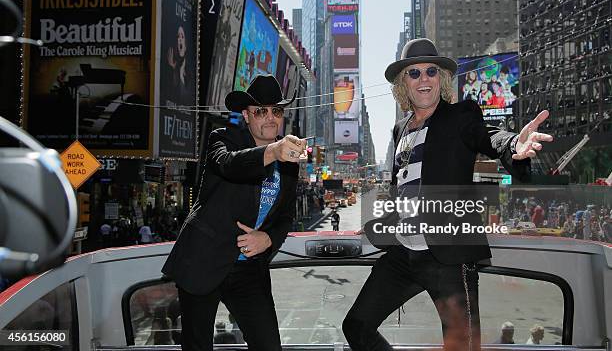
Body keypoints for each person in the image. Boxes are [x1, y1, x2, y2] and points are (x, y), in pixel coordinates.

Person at [343, 38, 553, 351]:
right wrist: (383, 222)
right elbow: (404, 190)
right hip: (404, 255)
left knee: (462, 347)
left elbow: (490, 136)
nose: (423, 78)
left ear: (441, 79)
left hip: (450, 259)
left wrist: (513, 145)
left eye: (431, 71)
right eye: (414, 73)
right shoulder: (400, 130)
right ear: (404, 83)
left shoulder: (460, 117)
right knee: (356, 325)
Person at [161, 75, 305, 351]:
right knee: (197, 346)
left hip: (249, 271)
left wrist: (269, 239)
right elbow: (230, 165)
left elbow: (286, 216)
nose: (270, 118)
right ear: (246, 115)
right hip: (203, 260)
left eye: (276, 110)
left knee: (268, 345)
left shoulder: (290, 162)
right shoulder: (223, 138)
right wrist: (274, 151)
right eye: (260, 111)